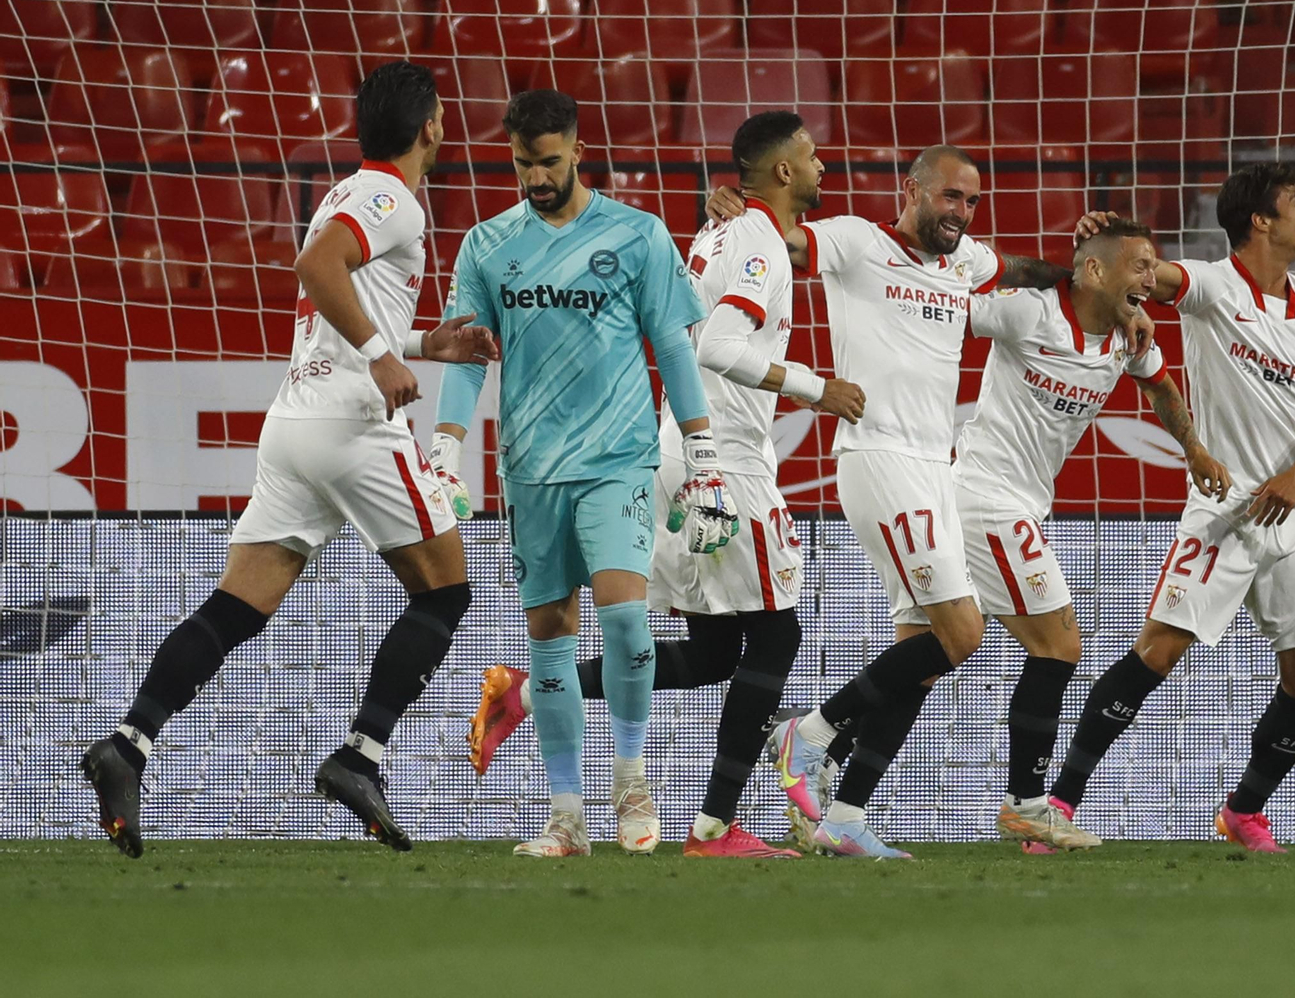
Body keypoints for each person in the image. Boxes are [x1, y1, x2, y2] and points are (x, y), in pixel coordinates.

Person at [80, 61, 498, 857]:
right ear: (432, 126)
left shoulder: (347, 191)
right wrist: (383, 358)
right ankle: (359, 755)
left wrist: (423, 344)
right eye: (443, 115)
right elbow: (315, 270)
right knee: (445, 592)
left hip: (294, 421)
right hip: (350, 424)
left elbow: (338, 293)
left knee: (237, 606)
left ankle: (127, 743)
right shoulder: (392, 198)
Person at [462, 111, 865, 858]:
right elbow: (712, 342)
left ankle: (522, 692)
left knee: (715, 652)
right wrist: (815, 387)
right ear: (781, 171)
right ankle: (714, 826)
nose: (820, 167)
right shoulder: (758, 242)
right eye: (810, 157)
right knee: (778, 633)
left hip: (673, 448)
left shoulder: (723, 231)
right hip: (726, 459)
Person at [710, 145, 1076, 857]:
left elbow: (1024, 272)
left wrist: (1082, 277)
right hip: (878, 457)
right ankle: (806, 733)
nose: (961, 213)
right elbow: (779, 234)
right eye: (949, 197)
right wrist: (734, 205)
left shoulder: (965, 262)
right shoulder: (854, 241)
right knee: (964, 633)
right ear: (912, 191)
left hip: (935, 467)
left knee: (927, 652)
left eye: (971, 202)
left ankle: (845, 820)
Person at [429, 90, 734, 859]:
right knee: (550, 638)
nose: (536, 176)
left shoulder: (636, 235)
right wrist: (444, 447)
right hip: (531, 468)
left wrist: (703, 459)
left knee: (627, 619)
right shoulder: (488, 244)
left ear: (576, 149)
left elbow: (673, 347)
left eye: (549, 161)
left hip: (618, 460)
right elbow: (469, 357)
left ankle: (631, 780)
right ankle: (567, 816)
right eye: (524, 163)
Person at [1064, 163, 1295, 852]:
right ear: (1260, 220)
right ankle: (1058, 804)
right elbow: (1150, 278)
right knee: (1158, 651)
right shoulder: (1210, 285)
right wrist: (1108, 246)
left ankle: (1243, 811)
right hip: (1224, 511)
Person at [957, 217, 1231, 853]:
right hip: (984, 494)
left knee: (934, 649)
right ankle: (1027, 805)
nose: (1150, 280)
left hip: (1020, 501)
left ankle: (820, 741)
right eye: (1138, 266)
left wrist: (1193, 449)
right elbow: (943, 313)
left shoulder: (1130, 337)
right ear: (1095, 270)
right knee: (1058, 645)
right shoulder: (1026, 313)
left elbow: (1161, 385)